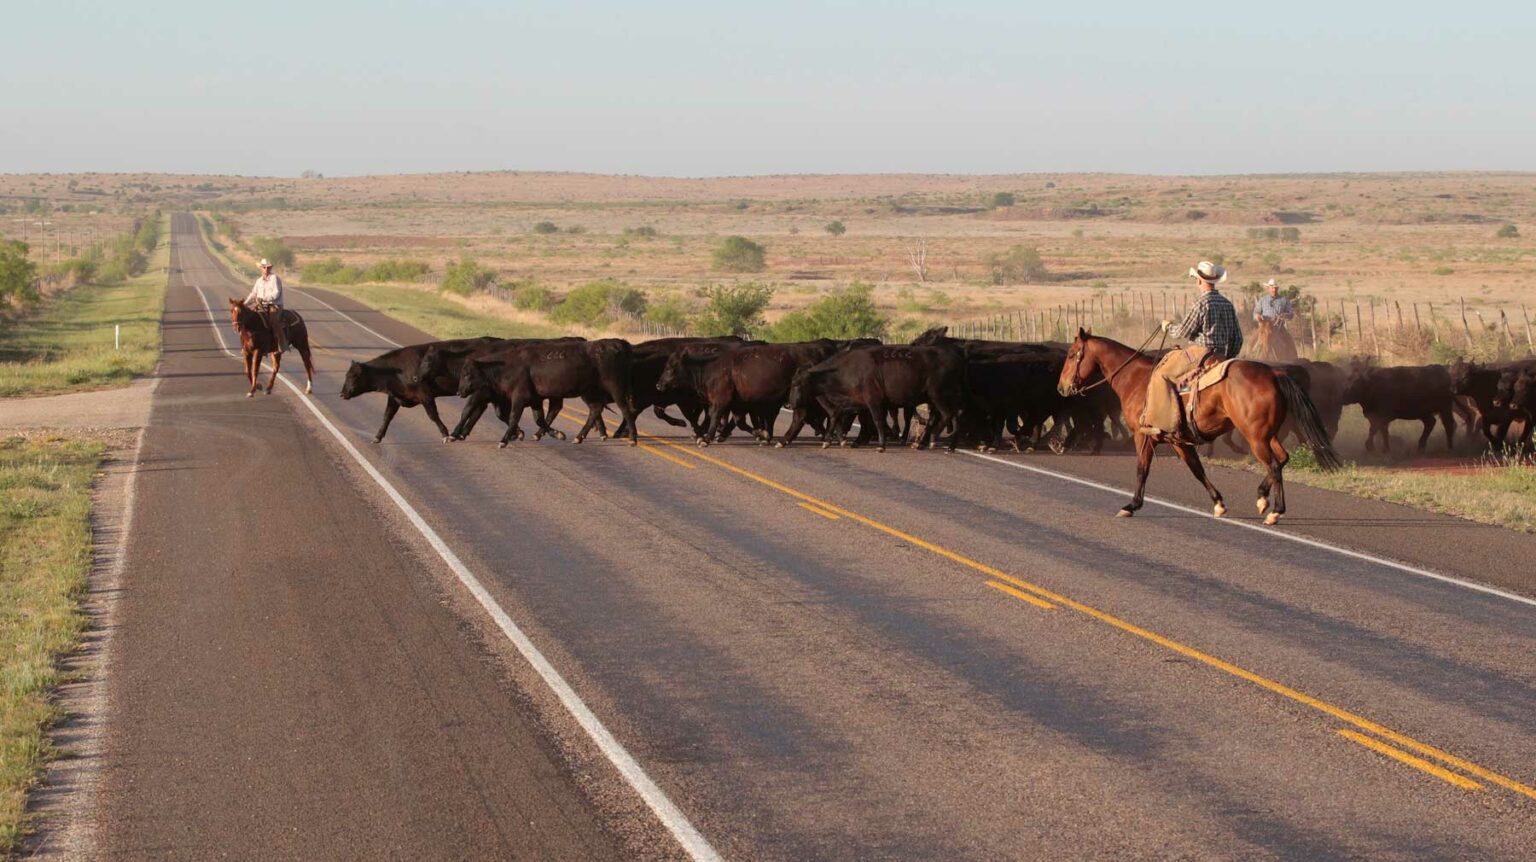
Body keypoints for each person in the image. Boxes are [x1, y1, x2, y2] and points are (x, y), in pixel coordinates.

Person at [1142, 260, 1243, 437]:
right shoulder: (1227, 304)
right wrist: (1226, 357)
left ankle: (1162, 423)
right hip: (1220, 355)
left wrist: (1168, 327)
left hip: (1199, 353)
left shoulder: (1201, 304)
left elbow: (1183, 331)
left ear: (1198, 281)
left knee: (1160, 374)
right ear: (1215, 281)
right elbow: (1238, 339)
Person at [244, 258, 287, 352]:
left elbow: (276, 293)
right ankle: (247, 345)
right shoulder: (259, 281)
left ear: (270, 268)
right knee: (248, 319)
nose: (266, 269)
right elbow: (253, 294)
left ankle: (281, 345)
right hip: (260, 306)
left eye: (268, 267)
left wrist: (264, 299)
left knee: (273, 321)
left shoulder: (274, 278)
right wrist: (244, 304)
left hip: (274, 305)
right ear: (261, 268)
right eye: (264, 267)